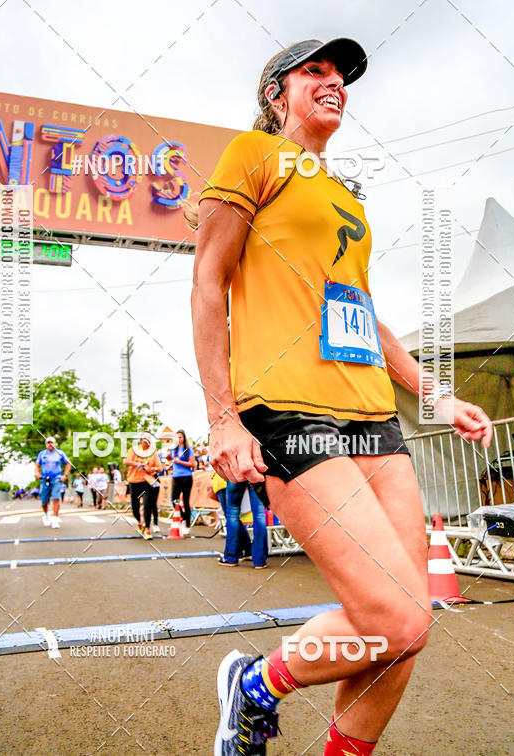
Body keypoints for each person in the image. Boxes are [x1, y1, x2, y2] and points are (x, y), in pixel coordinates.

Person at [189, 37, 494, 755]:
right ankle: (255, 685)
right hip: (289, 410)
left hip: (374, 419)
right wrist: (223, 417)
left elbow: (360, 310)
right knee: (397, 618)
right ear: (276, 93)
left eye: (342, 76)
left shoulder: (342, 195)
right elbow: (207, 279)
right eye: (316, 71)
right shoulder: (253, 155)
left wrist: (436, 396)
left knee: (408, 627)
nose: (334, 83)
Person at [221, 481, 267, 569]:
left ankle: (230, 558)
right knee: (259, 514)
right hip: (256, 476)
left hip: (236, 476)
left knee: (232, 513)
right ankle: (260, 561)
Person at [123, 436, 161, 539]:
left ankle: (147, 529)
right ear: (141, 441)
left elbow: (160, 468)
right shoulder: (134, 450)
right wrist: (139, 464)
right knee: (135, 507)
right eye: (145, 439)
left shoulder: (153, 452)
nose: (147, 441)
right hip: (134, 481)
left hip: (147, 481)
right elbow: (125, 462)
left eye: (149, 439)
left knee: (147, 504)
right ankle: (140, 522)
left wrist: (152, 469)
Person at [213, 471, 251, 562]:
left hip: (224, 481)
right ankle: (246, 550)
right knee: (234, 518)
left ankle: (232, 555)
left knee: (232, 517)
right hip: (234, 479)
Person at [34, 436, 70, 529]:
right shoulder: (41, 454)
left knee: (56, 498)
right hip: (44, 479)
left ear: (55, 444)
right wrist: (36, 473)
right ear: (46, 444)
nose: (50, 444)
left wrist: (65, 475)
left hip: (56, 478)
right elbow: (37, 465)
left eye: (52, 442)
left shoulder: (60, 453)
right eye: (48, 443)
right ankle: (46, 515)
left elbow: (68, 463)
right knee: (44, 501)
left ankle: (55, 518)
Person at [168, 429, 196, 535]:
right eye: (177, 437)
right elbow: (171, 460)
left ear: (184, 438)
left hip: (186, 477)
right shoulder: (173, 449)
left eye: (180, 437)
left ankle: (187, 524)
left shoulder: (188, 449)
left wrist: (180, 462)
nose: (178, 439)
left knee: (186, 501)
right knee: (174, 500)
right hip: (176, 477)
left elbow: (192, 464)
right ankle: (183, 517)